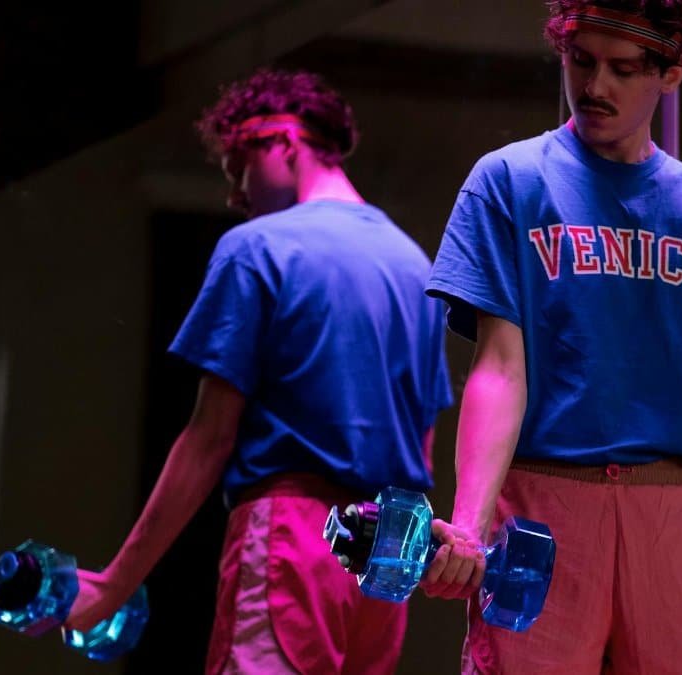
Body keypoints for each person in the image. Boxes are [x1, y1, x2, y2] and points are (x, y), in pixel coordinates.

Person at [421, 2, 682, 673]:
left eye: (623, 70)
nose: (596, 87)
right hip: (543, 508)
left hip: (675, 513)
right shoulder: (510, 182)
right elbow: (499, 368)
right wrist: (471, 526)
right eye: (581, 61)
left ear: (671, 71)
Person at [64, 69, 453, 674]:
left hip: (291, 543)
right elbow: (424, 439)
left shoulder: (257, 247)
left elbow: (208, 437)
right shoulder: (414, 265)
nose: (236, 196)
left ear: (283, 141)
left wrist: (114, 585)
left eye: (238, 170)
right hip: (381, 562)